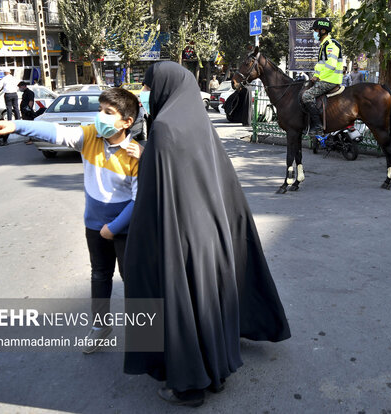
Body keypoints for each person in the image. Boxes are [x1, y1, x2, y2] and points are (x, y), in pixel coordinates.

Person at [122, 61, 291, 407]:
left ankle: (188, 385)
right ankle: (216, 372)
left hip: (179, 235)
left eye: (152, 88)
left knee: (179, 303)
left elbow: (157, 193)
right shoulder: (200, 125)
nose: (149, 94)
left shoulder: (165, 128)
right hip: (212, 234)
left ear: (167, 88)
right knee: (206, 302)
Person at [0, 88, 141, 354]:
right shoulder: (89, 136)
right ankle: (100, 326)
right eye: (100, 110)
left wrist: (113, 228)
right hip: (94, 225)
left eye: (107, 112)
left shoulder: (136, 153)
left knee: (133, 280)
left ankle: (143, 337)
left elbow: (138, 201)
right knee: (100, 275)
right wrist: (16, 125)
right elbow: (54, 132)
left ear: (126, 121)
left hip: (125, 230)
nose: (99, 117)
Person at [301, 17, 343, 137]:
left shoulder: (331, 45)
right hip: (325, 78)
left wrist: (319, 78)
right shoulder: (323, 45)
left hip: (330, 80)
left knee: (307, 96)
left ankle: (318, 126)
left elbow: (331, 65)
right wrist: (315, 76)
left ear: (323, 31)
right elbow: (320, 67)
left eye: (316, 30)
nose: (314, 33)